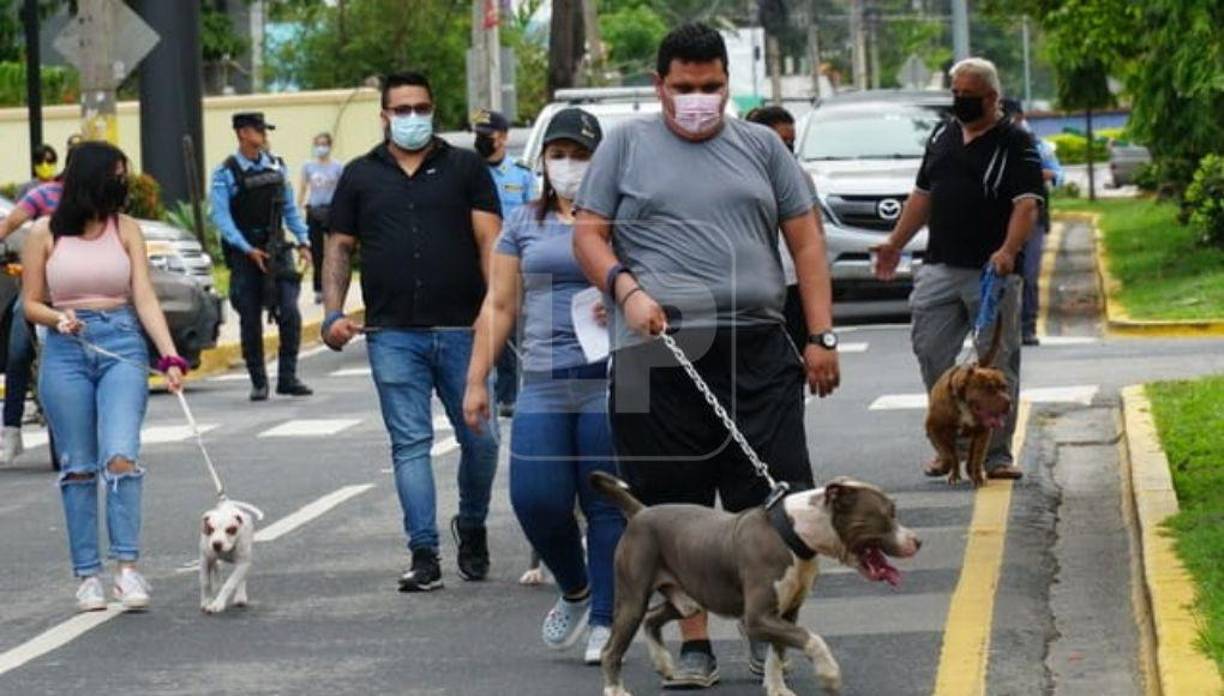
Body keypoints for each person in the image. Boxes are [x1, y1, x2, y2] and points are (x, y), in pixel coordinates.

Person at [572, 23, 840, 688]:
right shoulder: (625, 145)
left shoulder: (761, 147)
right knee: (673, 504)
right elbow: (588, 236)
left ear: (728, 83)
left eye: (712, 86)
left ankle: (769, 636)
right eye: (684, 87)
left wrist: (820, 336)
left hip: (757, 344)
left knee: (776, 500)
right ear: (659, 85)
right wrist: (626, 290)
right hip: (656, 349)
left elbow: (806, 242)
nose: (698, 99)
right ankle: (694, 644)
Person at [322, 71, 502, 592]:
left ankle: (472, 524)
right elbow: (339, 247)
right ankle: (424, 553)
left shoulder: (465, 168)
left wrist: (496, 309)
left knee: (482, 439)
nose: (412, 118)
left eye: (420, 108)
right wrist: (332, 313)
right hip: (392, 333)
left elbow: (490, 241)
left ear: (433, 109)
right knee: (410, 444)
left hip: (465, 329)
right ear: (384, 116)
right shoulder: (359, 175)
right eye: (401, 110)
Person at [463, 107, 624, 665]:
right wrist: (476, 380)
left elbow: (659, 282)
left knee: (606, 505)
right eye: (559, 155)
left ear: (601, 162)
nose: (569, 165)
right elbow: (499, 304)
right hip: (545, 379)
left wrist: (623, 295)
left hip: (614, 377)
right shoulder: (522, 223)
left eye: (581, 156)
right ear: (543, 161)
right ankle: (576, 589)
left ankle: (606, 619)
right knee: (536, 499)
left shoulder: (624, 220)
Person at [20, 141, 186, 612]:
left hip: (121, 344)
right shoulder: (44, 234)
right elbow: (31, 303)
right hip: (66, 351)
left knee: (121, 457)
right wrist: (58, 319)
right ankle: (88, 576)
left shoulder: (126, 229)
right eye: (116, 174)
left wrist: (169, 356)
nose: (123, 182)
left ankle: (127, 570)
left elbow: (144, 296)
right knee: (77, 466)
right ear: (92, 177)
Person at [872, 58, 1043, 481]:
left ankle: (995, 455)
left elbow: (1026, 206)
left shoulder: (1016, 142)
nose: (960, 101)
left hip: (990, 273)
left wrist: (1008, 250)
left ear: (991, 97)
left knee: (997, 364)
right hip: (939, 266)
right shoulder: (942, 135)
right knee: (931, 352)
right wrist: (894, 244)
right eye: (955, 94)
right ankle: (949, 446)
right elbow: (922, 196)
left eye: (968, 96)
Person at [210, 112, 314, 401]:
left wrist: (304, 241)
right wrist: (246, 248)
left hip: (277, 248)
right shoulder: (226, 173)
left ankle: (288, 377)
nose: (264, 134)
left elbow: (289, 209)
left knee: (290, 312)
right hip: (246, 253)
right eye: (258, 129)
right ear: (242, 133)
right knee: (250, 317)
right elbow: (221, 217)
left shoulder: (276, 166)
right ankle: (258, 381)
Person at [0, 148, 73, 464]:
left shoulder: (97, 202)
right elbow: (9, 224)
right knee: (17, 349)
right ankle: (11, 430)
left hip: (77, 290)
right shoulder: (44, 195)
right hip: (39, 289)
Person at [472, 108, 535, 418]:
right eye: (479, 135)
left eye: (488, 135)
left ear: (503, 138)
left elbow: (533, 218)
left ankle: (508, 394)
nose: (482, 140)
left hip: (511, 262)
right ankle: (479, 385)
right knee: (477, 326)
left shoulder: (520, 175)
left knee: (508, 327)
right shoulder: (470, 172)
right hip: (474, 261)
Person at [745, 105, 810, 349]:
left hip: (793, 284)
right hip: (753, 289)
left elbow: (814, 236)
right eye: (781, 142)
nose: (786, 150)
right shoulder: (737, 178)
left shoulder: (798, 177)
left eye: (791, 143)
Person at [1003, 99, 1064, 346]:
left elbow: (1057, 174)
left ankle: (1028, 326)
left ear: (1019, 118)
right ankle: (1004, 326)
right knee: (1003, 274)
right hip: (1001, 219)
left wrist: (1040, 174)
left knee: (1029, 274)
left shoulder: (1037, 145)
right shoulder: (991, 146)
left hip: (1032, 219)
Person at [298, 132, 344, 305]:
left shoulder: (338, 167)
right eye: (318, 144)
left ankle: (334, 287)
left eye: (324, 144)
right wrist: (298, 208)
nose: (321, 148)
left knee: (333, 251)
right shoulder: (308, 166)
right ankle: (318, 288)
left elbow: (343, 190)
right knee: (317, 251)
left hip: (331, 210)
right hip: (314, 210)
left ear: (330, 146)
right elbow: (303, 188)